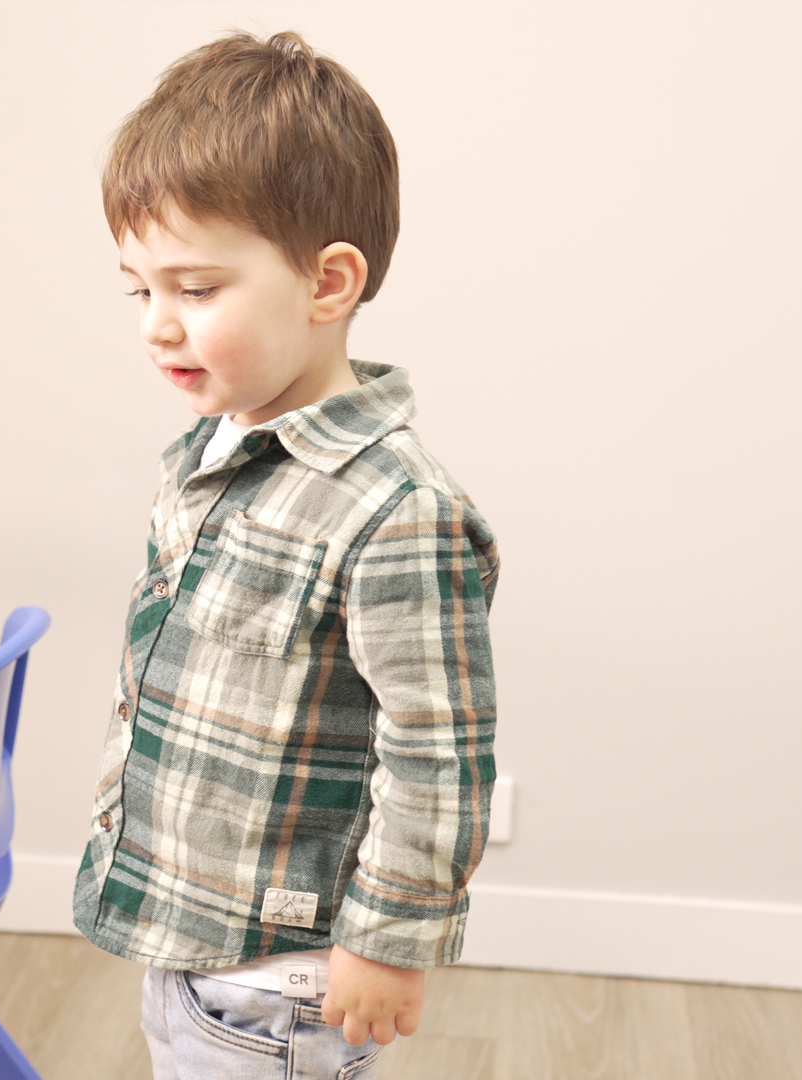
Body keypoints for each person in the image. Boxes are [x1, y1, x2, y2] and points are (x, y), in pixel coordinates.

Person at [69, 32, 501, 1078]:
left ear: (328, 283)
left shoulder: (399, 509)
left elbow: (439, 752)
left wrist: (388, 944)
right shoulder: (211, 454)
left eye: (197, 289)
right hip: (190, 944)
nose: (157, 327)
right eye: (140, 290)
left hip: (285, 980)